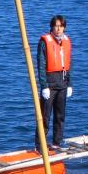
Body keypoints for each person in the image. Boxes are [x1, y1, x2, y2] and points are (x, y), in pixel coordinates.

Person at [36, 15, 72, 148]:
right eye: (56, 26)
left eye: (61, 26)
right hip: (49, 85)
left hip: (62, 84)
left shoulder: (66, 41)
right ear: (52, 26)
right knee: (45, 117)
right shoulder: (44, 42)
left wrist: (70, 84)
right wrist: (44, 85)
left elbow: (69, 64)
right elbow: (41, 65)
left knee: (60, 116)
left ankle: (57, 143)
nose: (58, 29)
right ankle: (40, 145)